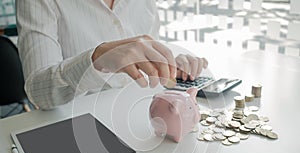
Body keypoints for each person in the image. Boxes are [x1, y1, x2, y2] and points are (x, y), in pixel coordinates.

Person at [16, 0, 208, 110]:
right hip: (78, 129)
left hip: (145, 116)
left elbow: (145, 49)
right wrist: (95, 60)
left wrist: (170, 64)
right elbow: (38, 91)